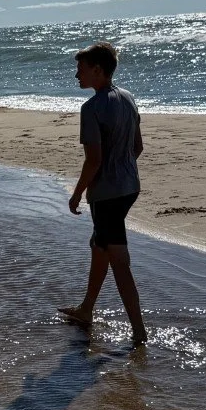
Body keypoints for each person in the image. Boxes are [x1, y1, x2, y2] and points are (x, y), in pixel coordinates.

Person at [59, 42, 147, 346]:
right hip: (129, 187)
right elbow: (137, 147)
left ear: (98, 70)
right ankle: (86, 310)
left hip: (107, 194)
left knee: (119, 261)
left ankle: (138, 332)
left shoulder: (92, 108)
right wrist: (121, 170)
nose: (76, 75)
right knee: (100, 245)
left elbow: (93, 160)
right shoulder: (128, 98)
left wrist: (77, 193)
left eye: (81, 69)